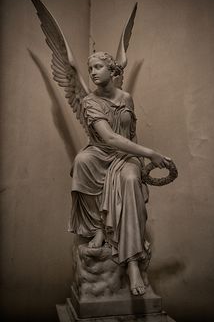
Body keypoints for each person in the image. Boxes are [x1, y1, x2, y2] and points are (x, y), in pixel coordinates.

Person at [68, 52, 170, 296]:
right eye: (90, 67)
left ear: (112, 71)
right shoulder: (89, 102)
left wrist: (142, 162)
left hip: (124, 157)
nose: (92, 72)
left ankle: (133, 261)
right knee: (82, 161)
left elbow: (131, 134)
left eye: (98, 66)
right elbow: (109, 138)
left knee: (131, 179)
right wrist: (151, 152)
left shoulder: (126, 98)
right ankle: (99, 228)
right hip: (100, 152)